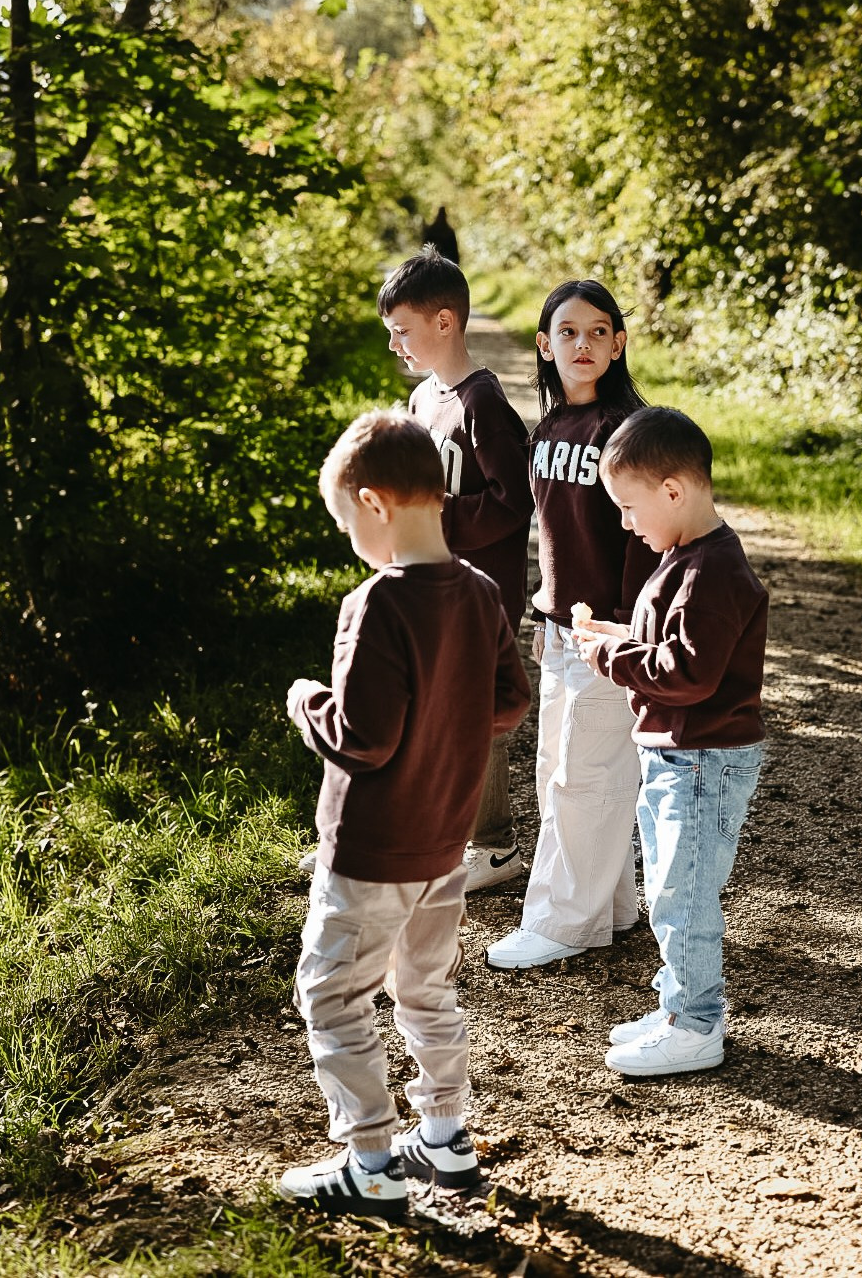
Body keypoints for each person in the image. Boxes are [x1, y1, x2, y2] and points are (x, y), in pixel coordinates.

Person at [279, 410, 531, 1215]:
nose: (350, 539)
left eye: (346, 522)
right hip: (445, 846)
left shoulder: (377, 604)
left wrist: (306, 702)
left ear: (374, 503)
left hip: (372, 851)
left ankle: (371, 1161)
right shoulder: (481, 592)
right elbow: (509, 703)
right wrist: (448, 722)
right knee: (426, 989)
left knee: (332, 994)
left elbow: (364, 739)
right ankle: (446, 1139)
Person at [574, 406, 768, 1076]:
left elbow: (688, 673)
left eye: (629, 508)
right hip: (678, 754)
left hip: (701, 759)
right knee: (668, 889)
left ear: (674, 491)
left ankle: (697, 1025)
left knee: (684, 896)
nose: (626, 523)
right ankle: (677, 1003)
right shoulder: (685, 557)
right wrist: (623, 637)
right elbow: (671, 643)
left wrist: (611, 658)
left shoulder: (713, 572)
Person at [485, 281, 657, 971]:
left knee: (584, 777)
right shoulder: (550, 428)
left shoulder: (630, 432)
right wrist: (544, 612)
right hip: (562, 628)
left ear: (618, 343)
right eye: (567, 332)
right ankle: (609, 906)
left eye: (597, 332)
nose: (582, 344)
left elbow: (646, 542)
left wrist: (626, 632)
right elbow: (558, 539)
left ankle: (562, 923)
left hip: (608, 635)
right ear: (543, 344)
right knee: (560, 769)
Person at [377, 247, 533, 890]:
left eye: (402, 331)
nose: (395, 345)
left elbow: (515, 500)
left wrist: (439, 513)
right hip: (432, 583)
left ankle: (493, 845)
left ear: (445, 322)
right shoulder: (423, 398)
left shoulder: (483, 404)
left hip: (482, 594)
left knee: (477, 713)